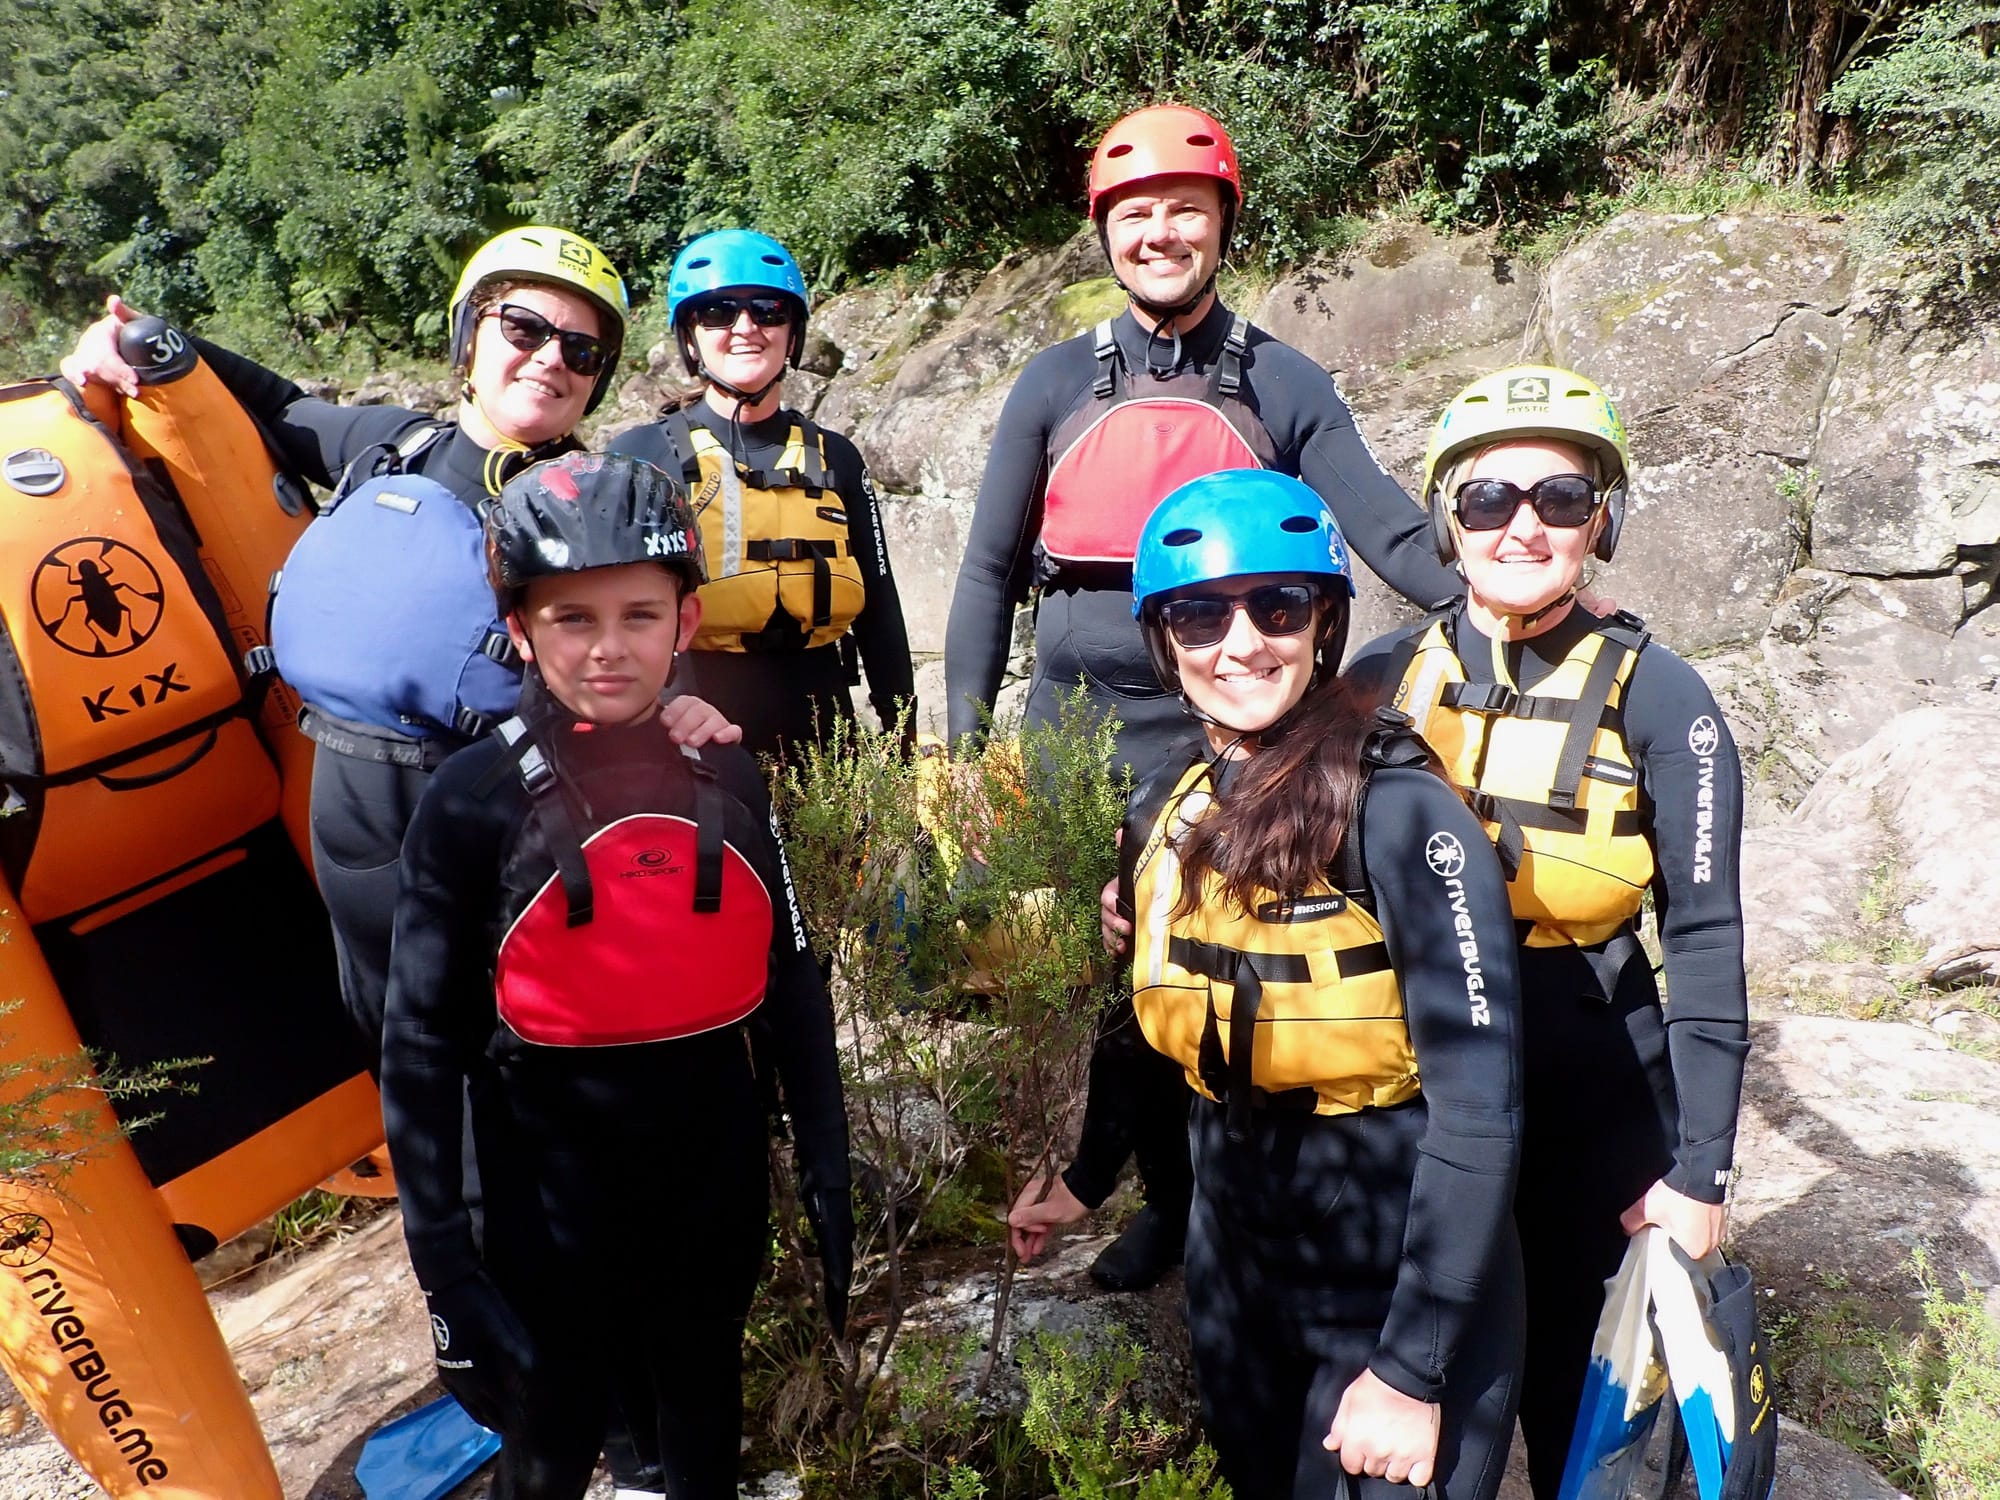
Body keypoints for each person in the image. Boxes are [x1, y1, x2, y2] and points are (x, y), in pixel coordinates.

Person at [943, 104, 1462, 1289]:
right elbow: (984, 571)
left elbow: (1383, 527)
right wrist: (967, 749)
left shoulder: (1278, 380)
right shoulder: (1053, 384)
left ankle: (1229, 1196)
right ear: (1103, 233)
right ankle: (1156, 1193)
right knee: (1107, 979)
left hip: (1223, 719)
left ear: (1223, 225)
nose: (1159, 234)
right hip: (1075, 727)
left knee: (1219, 952)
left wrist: (1494, 591)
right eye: (1135, 215)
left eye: (1185, 210)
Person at [58, 228, 733, 1081]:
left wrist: (685, 710)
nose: (549, 360)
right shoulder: (394, 443)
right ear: (469, 337)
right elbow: (271, 402)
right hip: (345, 809)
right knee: (395, 1048)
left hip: (492, 816)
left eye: (581, 350)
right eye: (524, 329)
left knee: (505, 1061)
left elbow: (646, 643)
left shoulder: (590, 505)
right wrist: (132, 340)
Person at [1008, 470, 1525, 1499]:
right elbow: (1144, 1014)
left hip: (1387, 1250)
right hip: (1235, 1243)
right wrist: (1087, 1176)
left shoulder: (1401, 810)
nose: (1239, 644)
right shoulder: (1168, 801)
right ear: (1163, 640)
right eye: (1199, 616)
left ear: (1324, 621)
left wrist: (1411, 1369)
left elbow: (1482, 1108)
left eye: (1276, 607)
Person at [380, 451, 851, 1500]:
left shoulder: (725, 770)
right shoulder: (472, 800)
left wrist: (827, 1163)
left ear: (686, 621)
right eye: (571, 619)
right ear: (518, 629)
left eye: (639, 615)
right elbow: (418, 1042)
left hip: (711, 1174)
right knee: (550, 1445)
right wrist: (443, 1260)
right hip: (543, 1198)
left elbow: (790, 978)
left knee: (703, 1421)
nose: (608, 647)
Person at [1342, 367, 1751, 1499]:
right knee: (1436, 1395)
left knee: (1586, 1414)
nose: (1521, 525)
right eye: (1487, 500)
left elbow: (1705, 939)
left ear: (1599, 521)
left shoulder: (1663, 697)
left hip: (1597, 1075)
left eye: (1559, 498)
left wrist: (1701, 1173)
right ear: (1446, 521)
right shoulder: (1380, 676)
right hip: (1426, 1085)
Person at [611, 229, 915, 763]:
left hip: (823, 732)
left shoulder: (837, 456)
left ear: (792, 334)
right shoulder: (642, 455)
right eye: (718, 312)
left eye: (769, 311)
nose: (746, 328)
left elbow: (880, 609)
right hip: (690, 728)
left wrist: (904, 739)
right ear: (690, 338)